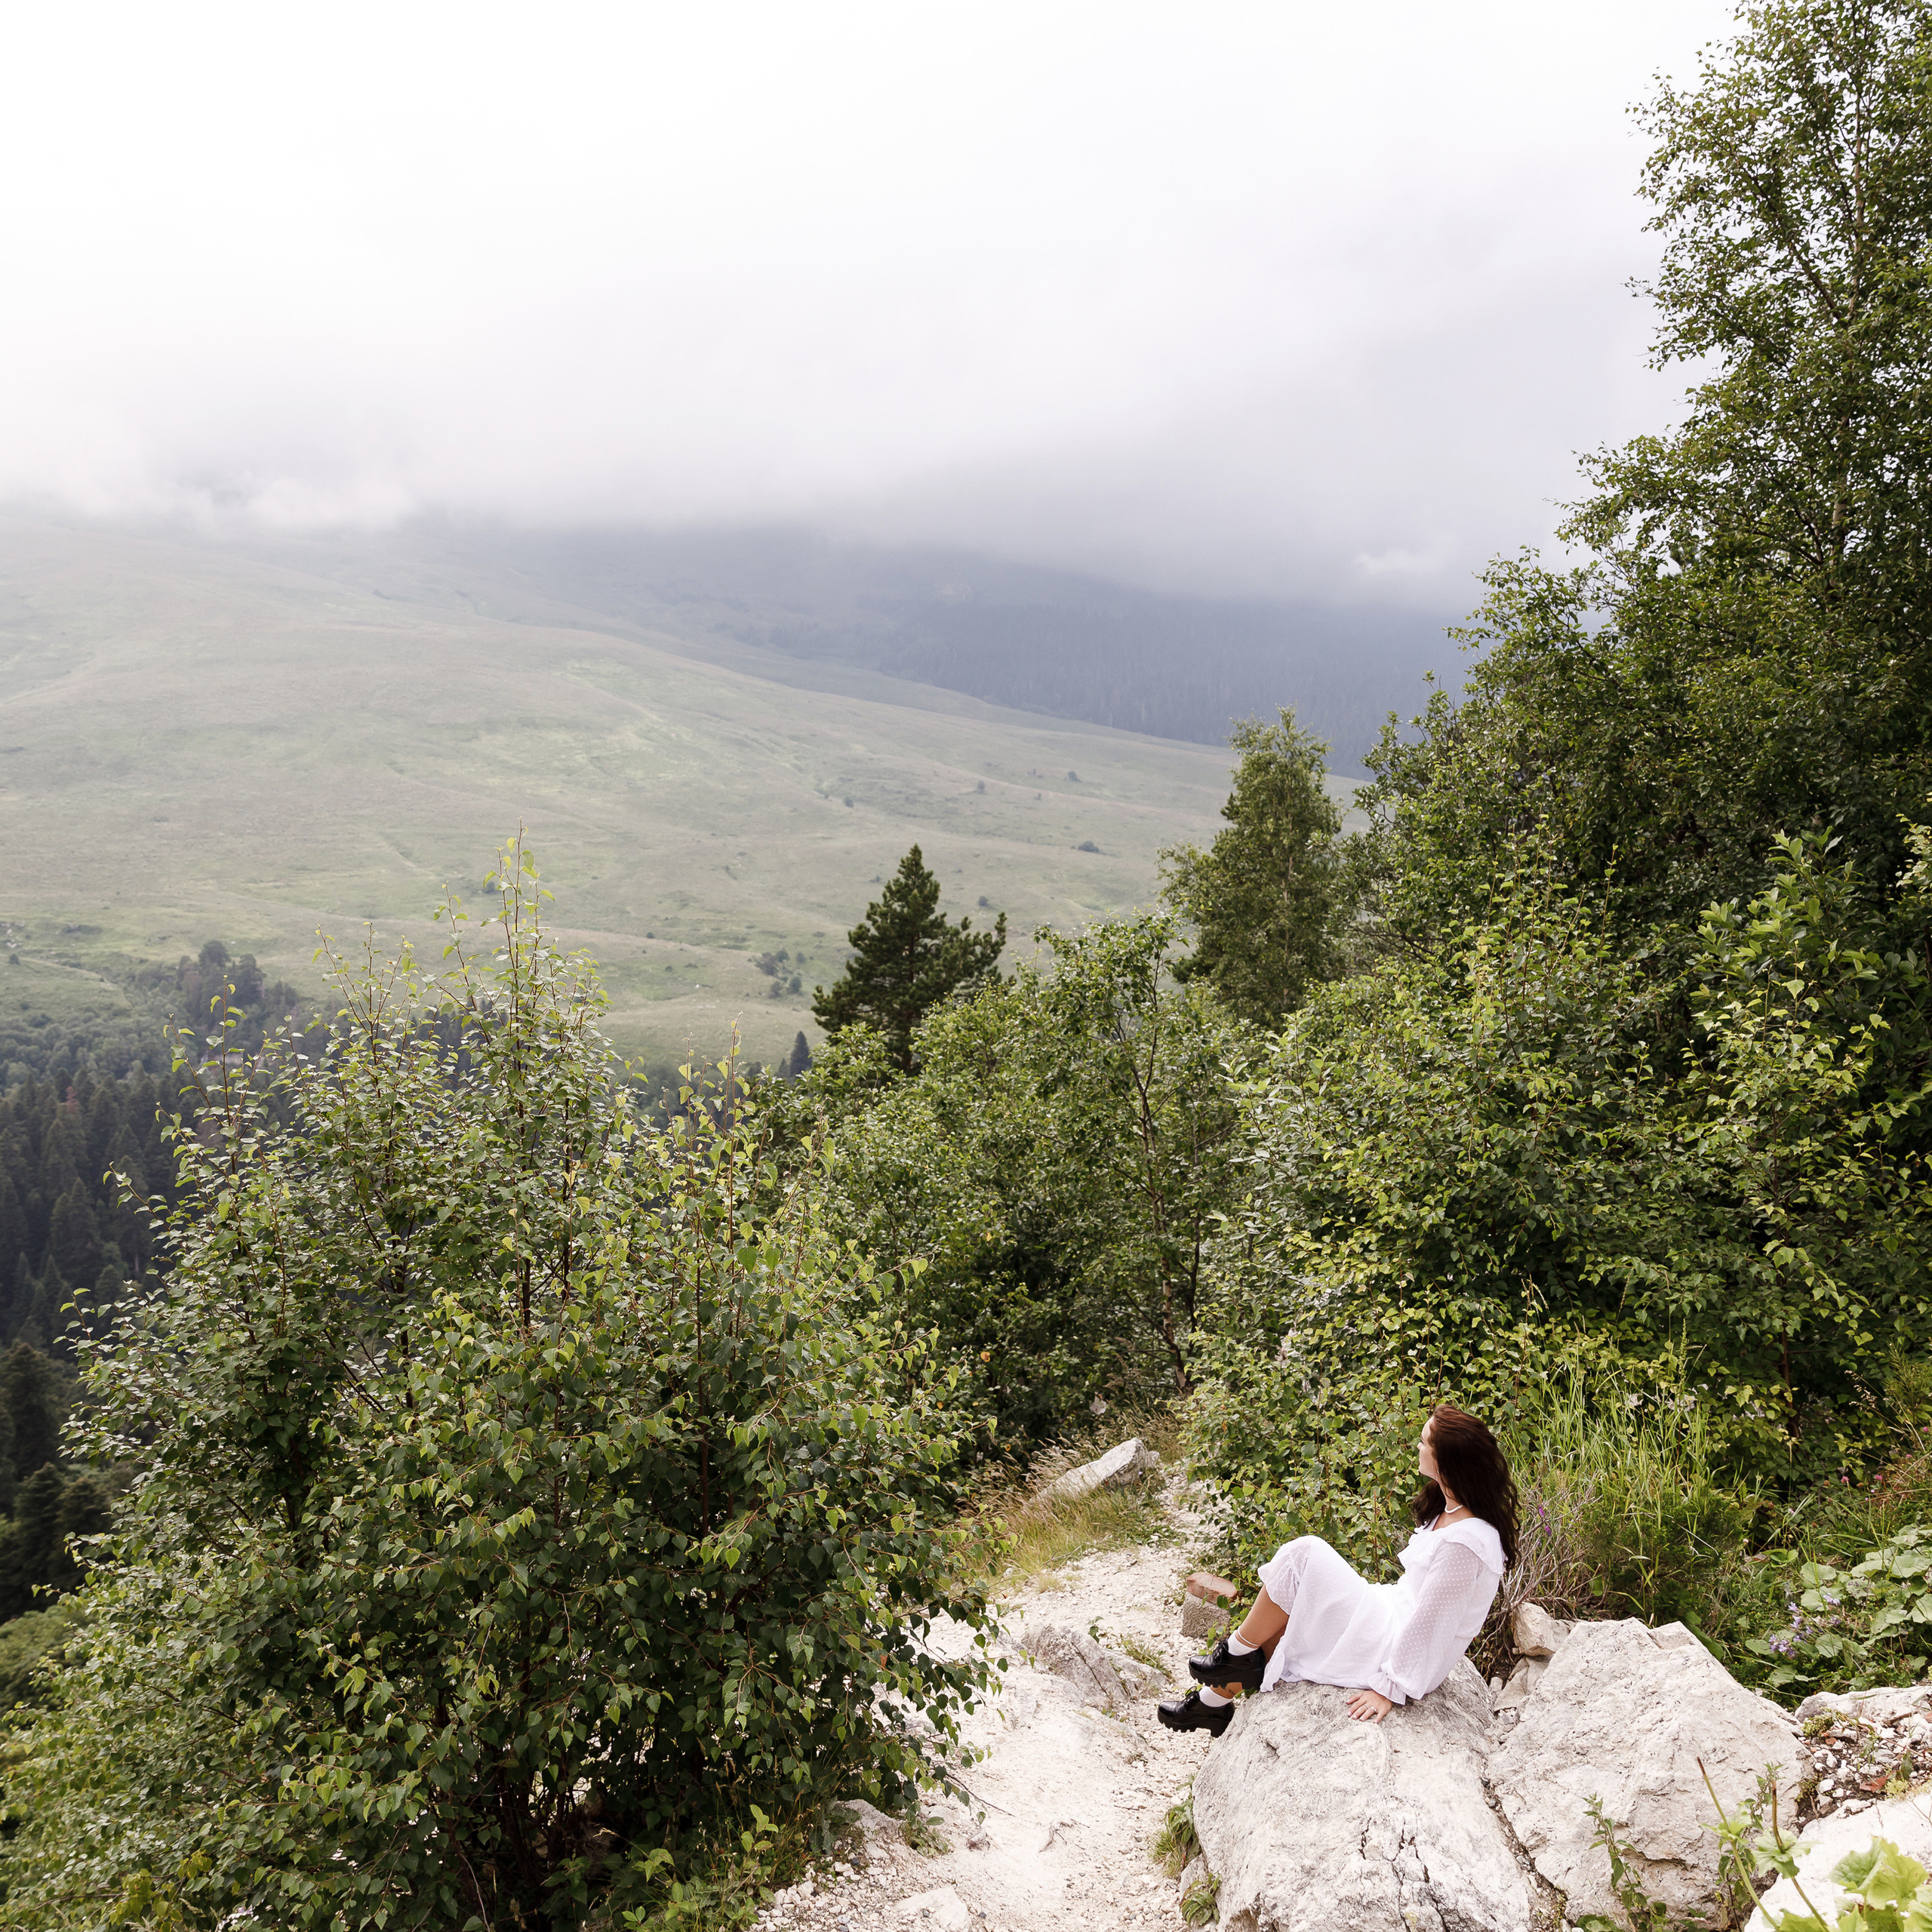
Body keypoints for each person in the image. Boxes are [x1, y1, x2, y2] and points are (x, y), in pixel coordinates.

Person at [1158, 1404, 1517, 1738]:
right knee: (1296, 1605)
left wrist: (1389, 1688)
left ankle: (1229, 1662)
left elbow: (1431, 1622)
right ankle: (1214, 1701)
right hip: (1391, 1612)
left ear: (1445, 1462)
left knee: (1305, 1554)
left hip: (1394, 1642)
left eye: (1424, 1442)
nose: (1418, 1446)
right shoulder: (1450, 1505)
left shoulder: (1467, 1543)